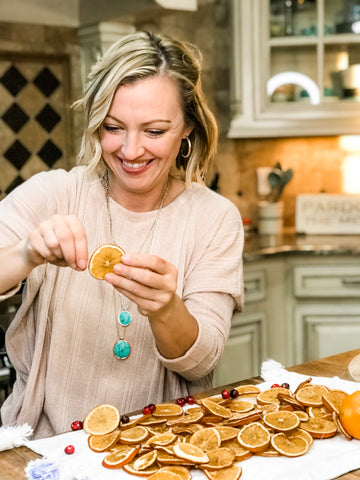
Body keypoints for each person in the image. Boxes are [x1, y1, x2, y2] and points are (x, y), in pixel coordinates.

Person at [0, 31, 244, 439]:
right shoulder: (56, 193)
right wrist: (26, 253)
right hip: (46, 450)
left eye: (154, 131)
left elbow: (201, 363)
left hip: (162, 449)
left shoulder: (214, 218)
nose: (131, 151)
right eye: (114, 127)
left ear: (186, 127)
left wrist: (166, 308)